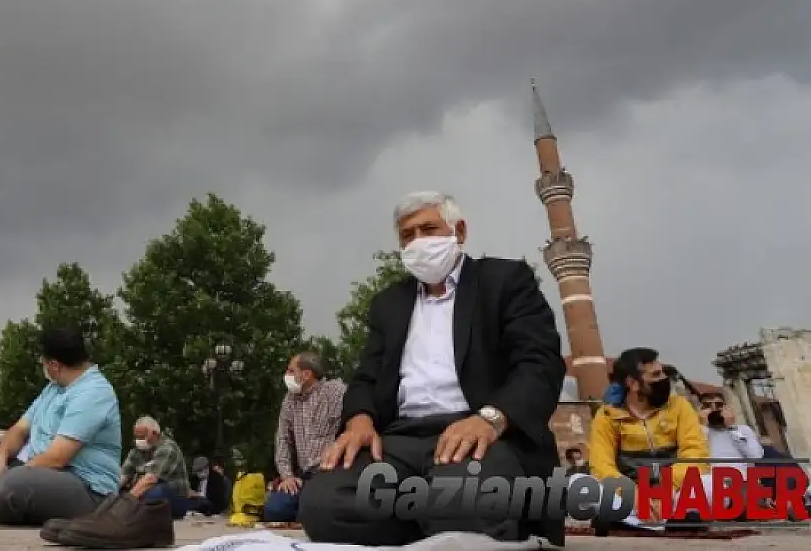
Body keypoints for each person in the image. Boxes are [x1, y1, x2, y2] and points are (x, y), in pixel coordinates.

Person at [298, 192, 567, 546]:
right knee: (324, 502)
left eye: (428, 229)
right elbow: (366, 376)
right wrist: (360, 419)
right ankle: (439, 532)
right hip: (399, 440)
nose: (418, 242)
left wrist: (491, 418)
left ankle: (463, 525)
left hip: (480, 431)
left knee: (464, 496)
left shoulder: (504, 281)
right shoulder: (389, 304)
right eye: (408, 235)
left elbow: (540, 361)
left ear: (459, 231)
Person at [0, 327, 122, 525]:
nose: (41, 365)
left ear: (53, 365)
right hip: (37, 469)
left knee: (14, 483)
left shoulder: (93, 393)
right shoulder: (53, 389)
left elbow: (56, 458)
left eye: (42, 361)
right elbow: (19, 430)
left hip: (85, 487)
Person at [578, 348, 712, 531]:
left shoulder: (679, 405)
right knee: (578, 485)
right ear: (633, 383)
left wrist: (667, 487)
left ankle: (630, 521)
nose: (664, 379)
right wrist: (634, 495)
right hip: (630, 493)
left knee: (713, 484)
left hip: (675, 489)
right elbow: (601, 464)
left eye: (663, 372)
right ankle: (665, 521)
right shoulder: (607, 415)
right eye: (656, 375)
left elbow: (695, 452)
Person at [265, 351, 345, 523]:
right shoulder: (289, 400)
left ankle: (312, 509)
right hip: (304, 476)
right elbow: (282, 440)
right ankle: (308, 508)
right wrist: (287, 477)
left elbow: (344, 431)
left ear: (307, 374)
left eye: (291, 371)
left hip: (330, 472)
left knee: (327, 507)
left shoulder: (334, 392)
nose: (287, 375)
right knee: (274, 510)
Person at [117, 416, 190, 519]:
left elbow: (150, 479)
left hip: (174, 497)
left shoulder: (168, 448)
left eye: (142, 437)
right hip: (143, 492)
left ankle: (133, 510)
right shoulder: (135, 451)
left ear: (155, 434)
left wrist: (128, 500)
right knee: (119, 492)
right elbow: (123, 475)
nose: (139, 440)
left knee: (156, 491)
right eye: (137, 437)